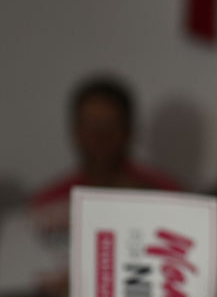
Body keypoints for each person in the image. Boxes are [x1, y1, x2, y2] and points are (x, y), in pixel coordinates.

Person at [31, 75, 180, 208]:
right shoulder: (49, 203)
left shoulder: (167, 197)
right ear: (76, 132)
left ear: (128, 131)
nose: (100, 136)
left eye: (110, 125)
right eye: (91, 125)